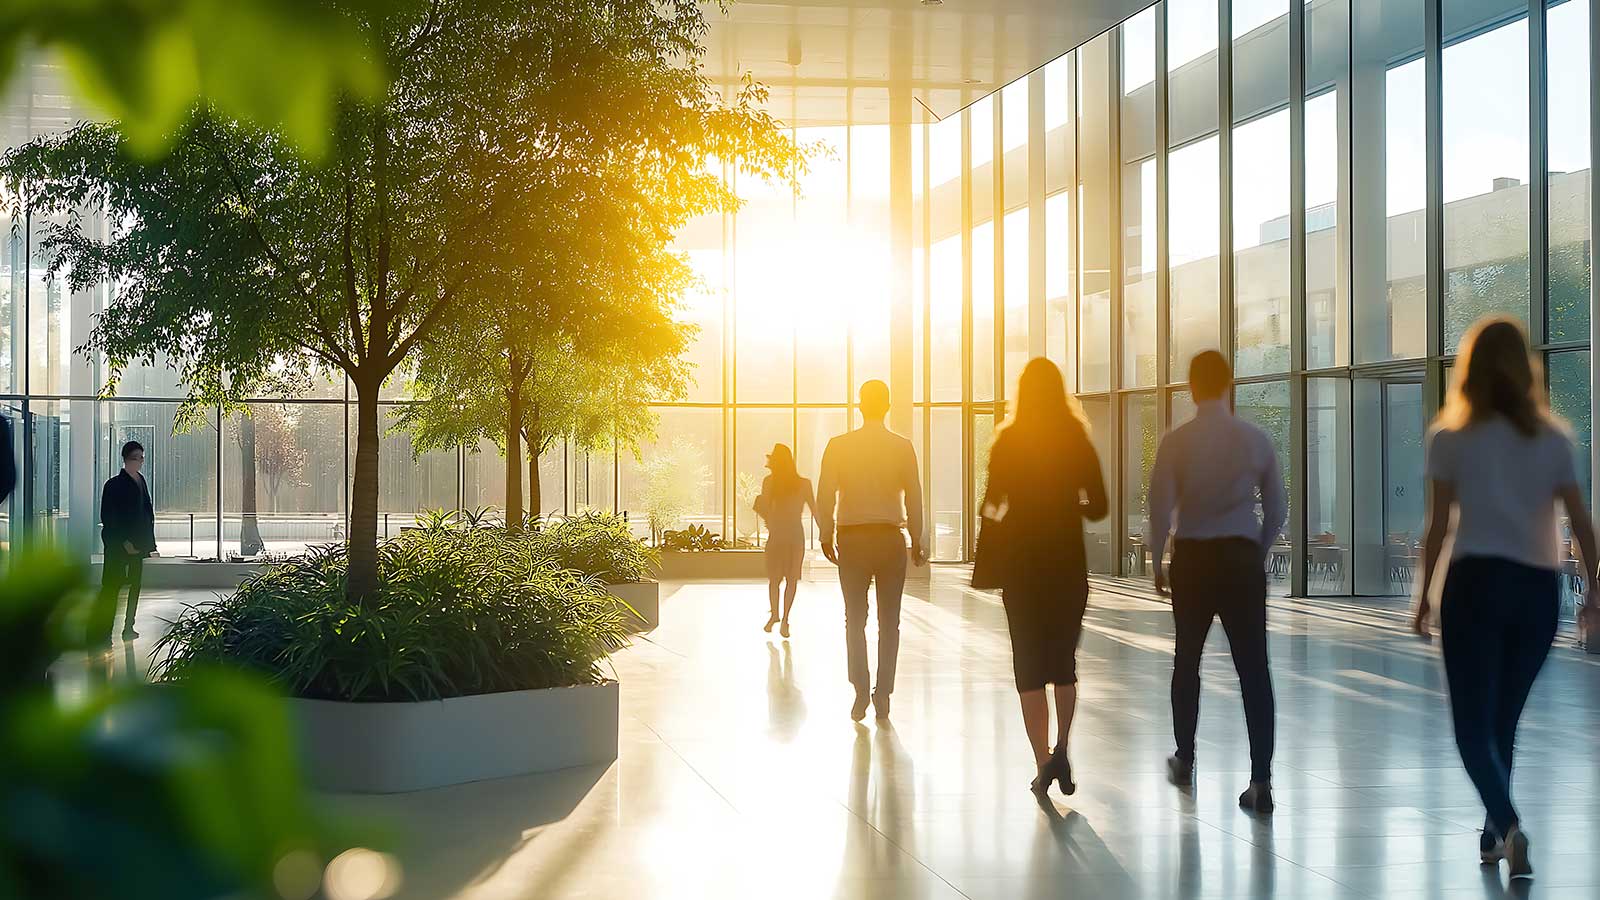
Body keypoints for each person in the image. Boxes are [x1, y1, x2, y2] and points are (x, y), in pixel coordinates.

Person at [1410, 316, 1599, 880]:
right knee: (1504, 721)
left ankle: (1509, 824)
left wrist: (1422, 600)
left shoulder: (1450, 437)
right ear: (1525, 369)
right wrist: (1594, 590)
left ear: (1468, 370)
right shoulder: (1553, 438)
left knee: (1472, 726)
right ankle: (1495, 834)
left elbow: (1438, 527)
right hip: (1537, 593)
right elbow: (1583, 526)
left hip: (1474, 586)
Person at [1147, 350, 1286, 814]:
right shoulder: (1255, 439)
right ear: (1230, 385)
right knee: (1253, 669)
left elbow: (1159, 507)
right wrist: (1256, 549)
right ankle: (1261, 778)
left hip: (1194, 557)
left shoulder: (1177, 442)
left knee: (1187, 659)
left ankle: (1185, 757)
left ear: (1191, 388)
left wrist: (1156, 560)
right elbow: (1278, 507)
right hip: (1240, 559)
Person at [980, 358, 1108, 797]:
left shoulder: (1008, 441)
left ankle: (1042, 763)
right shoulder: (1076, 440)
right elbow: (1099, 506)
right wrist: (1067, 504)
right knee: (1063, 664)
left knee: (1028, 667)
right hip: (1067, 565)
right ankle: (1062, 748)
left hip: (1022, 567)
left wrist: (1007, 518)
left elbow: (992, 502)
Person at [817, 380, 926, 722]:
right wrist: (918, 536)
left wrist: (826, 532)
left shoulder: (839, 446)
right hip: (890, 539)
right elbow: (914, 495)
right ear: (888, 406)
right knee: (889, 621)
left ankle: (861, 690)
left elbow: (825, 494)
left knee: (855, 619)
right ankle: (884, 694)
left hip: (852, 540)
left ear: (860, 406)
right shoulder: (902, 447)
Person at [753, 443, 817, 638]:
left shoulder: (769, 482)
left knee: (774, 579)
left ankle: (775, 615)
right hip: (795, 535)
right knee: (791, 579)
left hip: (777, 534)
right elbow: (815, 509)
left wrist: (768, 518)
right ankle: (785, 619)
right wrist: (827, 533)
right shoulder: (804, 484)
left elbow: (764, 506)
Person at [99, 440, 157, 641]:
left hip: (138, 545)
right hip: (118, 547)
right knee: (112, 586)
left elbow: (146, 513)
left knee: (134, 585)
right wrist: (124, 542)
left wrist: (150, 545)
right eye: (136, 458)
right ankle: (105, 630)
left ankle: (128, 627)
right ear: (126, 459)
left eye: (141, 458)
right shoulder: (114, 485)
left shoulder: (140, 480)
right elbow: (109, 517)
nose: (140, 462)